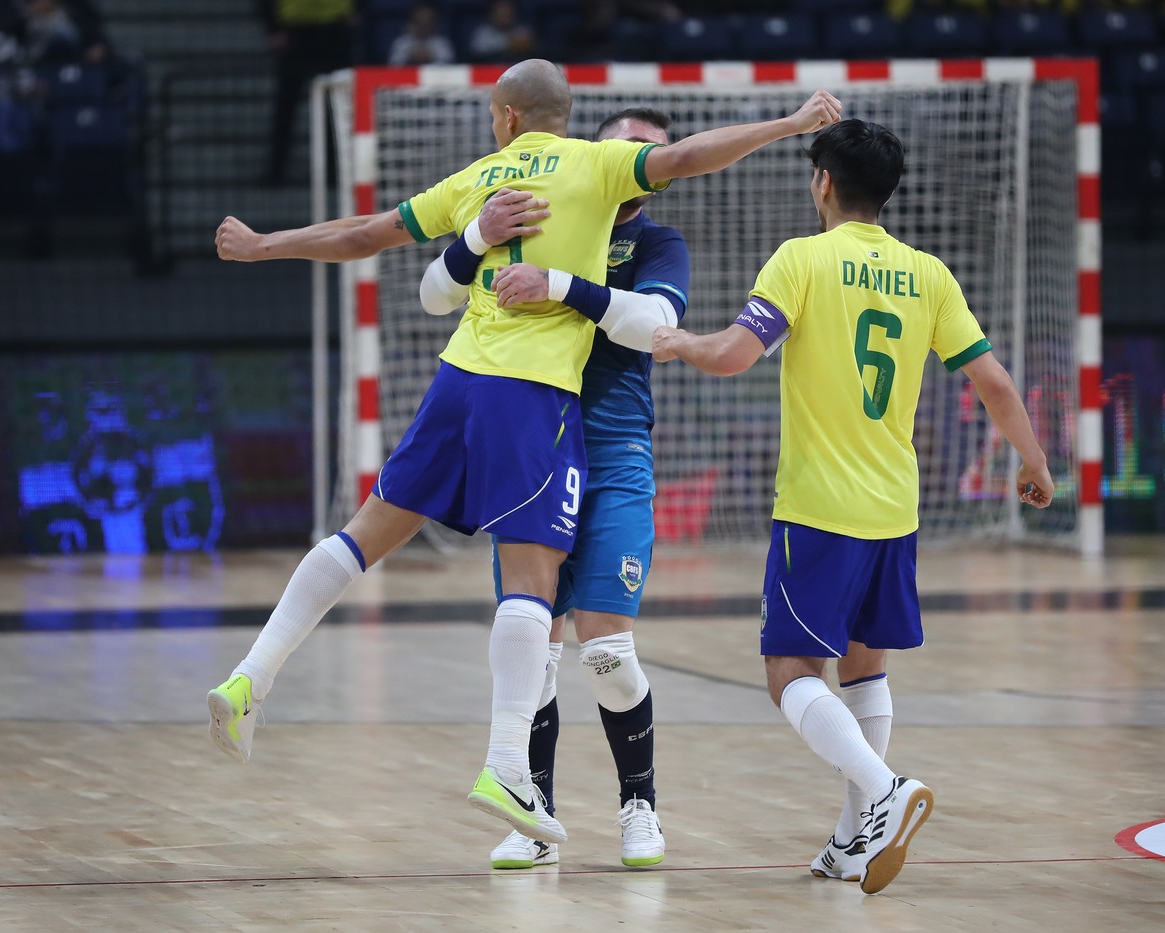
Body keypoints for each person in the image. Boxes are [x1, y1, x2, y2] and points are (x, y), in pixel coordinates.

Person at [208, 58, 842, 850]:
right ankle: (509, 762)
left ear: (507, 116)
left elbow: (366, 234)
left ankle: (252, 676)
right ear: (566, 115)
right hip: (532, 394)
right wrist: (788, 125)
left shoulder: (481, 175)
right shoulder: (594, 163)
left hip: (457, 379)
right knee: (534, 588)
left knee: (361, 535)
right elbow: (688, 156)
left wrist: (264, 243)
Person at [651, 118, 1054, 895]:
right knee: (865, 665)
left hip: (819, 507)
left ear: (823, 183)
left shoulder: (802, 258)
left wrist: (680, 343)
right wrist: (1033, 462)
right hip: (895, 509)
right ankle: (849, 842)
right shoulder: (928, 273)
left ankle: (886, 789)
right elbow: (995, 382)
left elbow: (736, 355)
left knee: (789, 670)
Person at [418, 107, 687, 870]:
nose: (639, 161)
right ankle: (532, 813)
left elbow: (655, 325)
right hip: (531, 440)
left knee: (606, 650)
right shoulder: (538, 212)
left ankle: (639, 802)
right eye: (626, 147)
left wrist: (561, 286)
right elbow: (435, 289)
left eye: (654, 155)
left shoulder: (656, 243)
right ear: (585, 154)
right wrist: (470, 242)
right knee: (532, 643)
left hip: (612, 446)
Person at [258, 0, 354, 186]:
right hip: (294, 30)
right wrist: (272, 26)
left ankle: (336, 172)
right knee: (286, 107)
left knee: (335, 105)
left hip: (334, 27)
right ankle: (276, 171)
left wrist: (358, 10)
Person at [387, 2, 454, 67]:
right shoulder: (402, 43)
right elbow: (393, 66)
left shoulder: (442, 43)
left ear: (434, 23)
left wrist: (431, 57)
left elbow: (449, 67)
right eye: (420, 21)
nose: (424, 25)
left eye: (428, 22)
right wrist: (410, 57)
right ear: (413, 21)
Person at [468, 0, 534, 64]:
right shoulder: (483, 33)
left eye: (507, 13)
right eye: (501, 13)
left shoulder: (522, 31)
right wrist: (509, 45)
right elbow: (478, 54)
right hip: (490, 70)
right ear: (493, 13)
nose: (504, 15)